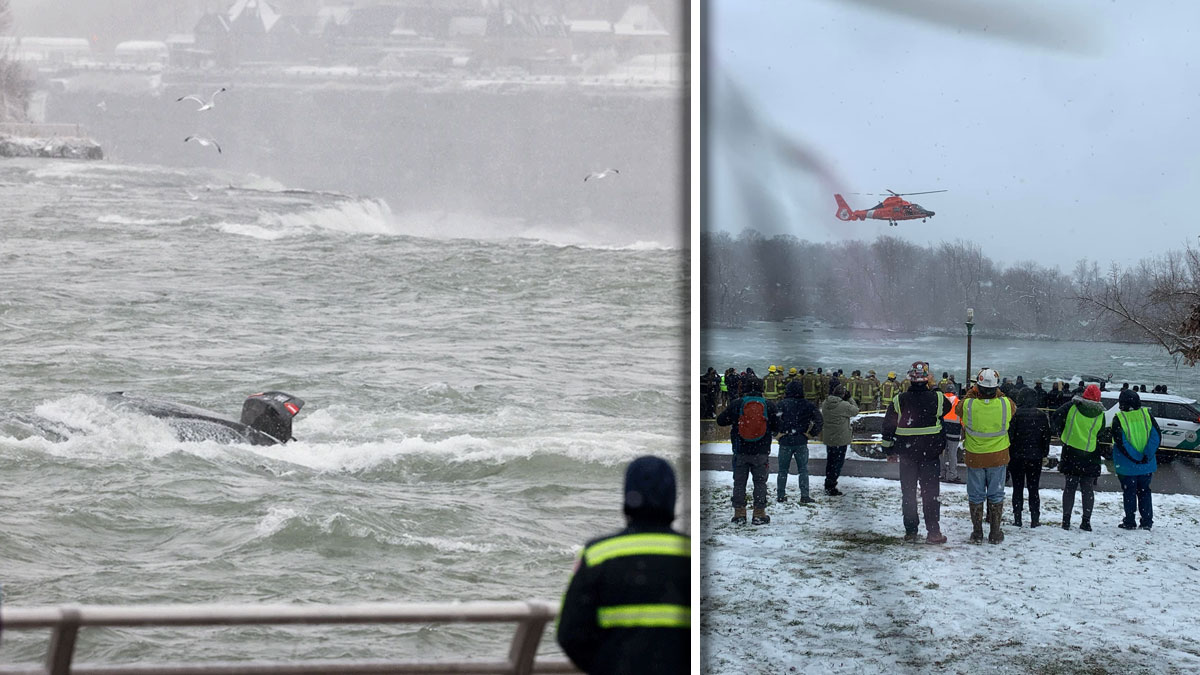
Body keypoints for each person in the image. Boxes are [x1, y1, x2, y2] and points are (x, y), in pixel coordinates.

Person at [556, 455, 689, 674]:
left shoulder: (597, 555)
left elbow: (570, 633)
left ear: (627, 497)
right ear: (671, 497)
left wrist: (607, 666)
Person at [881, 361, 952, 544]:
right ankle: (933, 532)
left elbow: (888, 426)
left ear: (909, 380)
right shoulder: (936, 398)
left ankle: (911, 531)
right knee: (930, 493)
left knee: (909, 494)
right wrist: (934, 386)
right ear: (926, 380)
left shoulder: (899, 400)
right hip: (930, 456)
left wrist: (888, 449)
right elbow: (947, 408)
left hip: (907, 456)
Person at [956, 368, 1014, 544]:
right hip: (998, 456)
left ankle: (977, 533)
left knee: (976, 495)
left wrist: (972, 392)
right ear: (996, 388)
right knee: (996, 494)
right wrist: (997, 391)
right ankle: (995, 533)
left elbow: (958, 408)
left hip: (976, 456)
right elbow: (1012, 405)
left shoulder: (969, 405)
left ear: (978, 388)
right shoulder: (1005, 404)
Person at [716, 375, 779, 525]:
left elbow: (720, 421)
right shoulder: (769, 405)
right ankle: (759, 513)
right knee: (760, 483)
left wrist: (736, 419)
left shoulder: (737, 404)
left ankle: (739, 514)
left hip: (740, 451)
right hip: (761, 451)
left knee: (739, 483)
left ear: (744, 388)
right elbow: (778, 426)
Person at [1052, 383, 1106, 531]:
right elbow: (1101, 432)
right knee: (1087, 489)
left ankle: (1066, 521)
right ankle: (1086, 522)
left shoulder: (1072, 407)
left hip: (1071, 452)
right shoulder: (1100, 414)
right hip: (1091, 453)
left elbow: (1056, 416)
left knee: (1069, 488)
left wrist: (1062, 432)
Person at [1111, 388, 1161, 530]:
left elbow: (1122, 443)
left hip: (1128, 466)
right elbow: (1156, 437)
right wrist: (1147, 455)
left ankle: (1129, 521)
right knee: (1145, 492)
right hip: (1146, 465)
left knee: (1129, 493)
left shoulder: (1119, 419)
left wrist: (1135, 457)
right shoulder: (1147, 415)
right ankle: (1146, 521)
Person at [1008, 388, 1050, 527]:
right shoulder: (1041, 415)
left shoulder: (1016, 415)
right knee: (1034, 488)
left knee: (1017, 488)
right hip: (1035, 457)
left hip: (1017, 457)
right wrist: (1044, 452)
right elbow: (1046, 437)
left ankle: (1017, 517)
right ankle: (1034, 518)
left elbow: (1011, 436)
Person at [775, 380, 823, 503]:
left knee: (782, 470)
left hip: (785, 440)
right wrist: (810, 433)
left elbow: (772, 419)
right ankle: (804, 495)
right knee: (803, 470)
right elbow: (819, 420)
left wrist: (776, 434)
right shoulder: (808, 404)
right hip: (801, 440)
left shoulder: (782, 404)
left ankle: (781, 495)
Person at [820, 384, 859, 497]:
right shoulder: (844, 405)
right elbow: (856, 410)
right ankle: (831, 486)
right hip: (840, 438)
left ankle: (828, 483)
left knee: (830, 462)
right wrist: (850, 398)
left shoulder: (825, 403)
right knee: (837, 463)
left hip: (829, 437)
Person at [941, 389, 963, 484]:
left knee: (941, 453)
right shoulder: (958, 402)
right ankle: (952, 475)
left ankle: (941, 473)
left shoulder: (941, 399)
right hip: (954, 430)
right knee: (952, 454)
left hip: (942, 430)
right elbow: (962, 418)